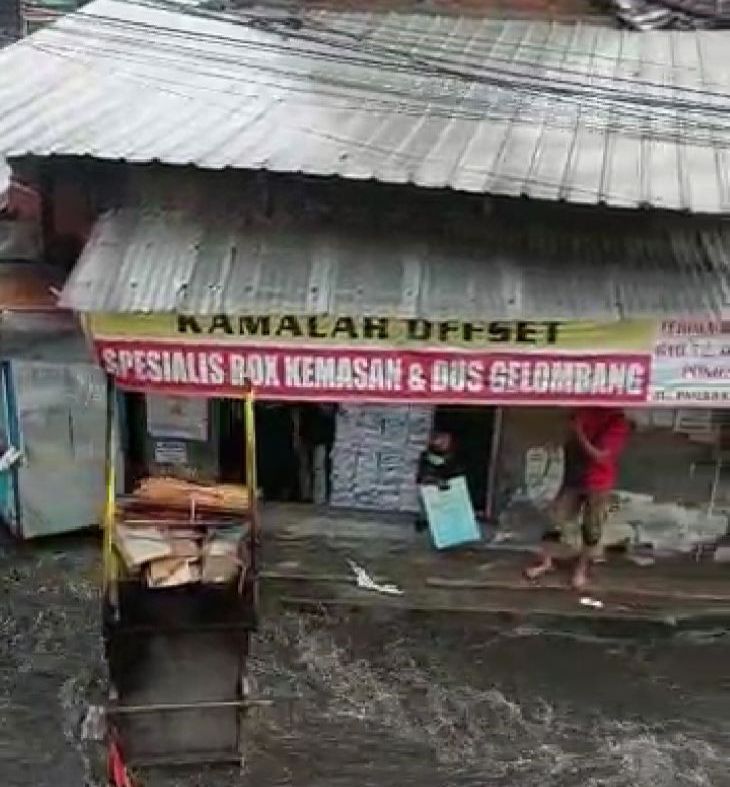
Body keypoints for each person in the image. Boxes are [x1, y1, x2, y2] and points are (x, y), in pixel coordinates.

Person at [524, 407, 630, 591]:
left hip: (598, 482)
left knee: (591, 528)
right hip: (574, 477)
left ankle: (581, 569)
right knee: (555, 520)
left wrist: (579, 432)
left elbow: (601, 456)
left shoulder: (617, 422)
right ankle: (546, 560)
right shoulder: (583, 411)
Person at [414, 432, 460, 532]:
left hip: (442, 489)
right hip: (428, 487)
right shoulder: (426, 456)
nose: (445, 443)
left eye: (447, 441)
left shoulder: (450, 457)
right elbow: (423, 474)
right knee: (426, 510)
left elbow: (453, 473)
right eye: (442, 440)